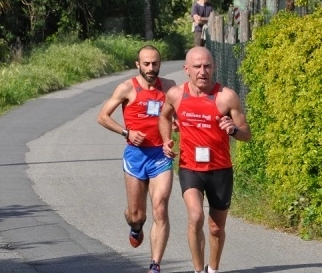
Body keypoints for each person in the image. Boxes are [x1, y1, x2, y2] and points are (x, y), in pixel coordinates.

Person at [159, 46, 251, 273]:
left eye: (207, 66)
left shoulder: (226, 97)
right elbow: (164, 116)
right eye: (197, 67)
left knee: (216, 228)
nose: (203, 71)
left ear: (214, 67)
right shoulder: (176, 94)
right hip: (190, 167)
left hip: (220, 169)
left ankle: (213, 269)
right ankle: (198, 270)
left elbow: (246, 134)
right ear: (186, 69)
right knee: (196, 215)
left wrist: (233, 130)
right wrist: (166, 140)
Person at [97, 45, 176, 273]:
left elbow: (182, 113)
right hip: (135, 156)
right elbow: (102, 117)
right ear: (138, 65)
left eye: (155, 64)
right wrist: (127, 133)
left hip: (160, 156)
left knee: (160, 208)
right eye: (147, 64)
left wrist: (176, 126)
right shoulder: (127, 88)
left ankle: (155, 265)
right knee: (136, 214)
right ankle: (135, 226)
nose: (151, 68)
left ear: (160, 64)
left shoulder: (170, 87)